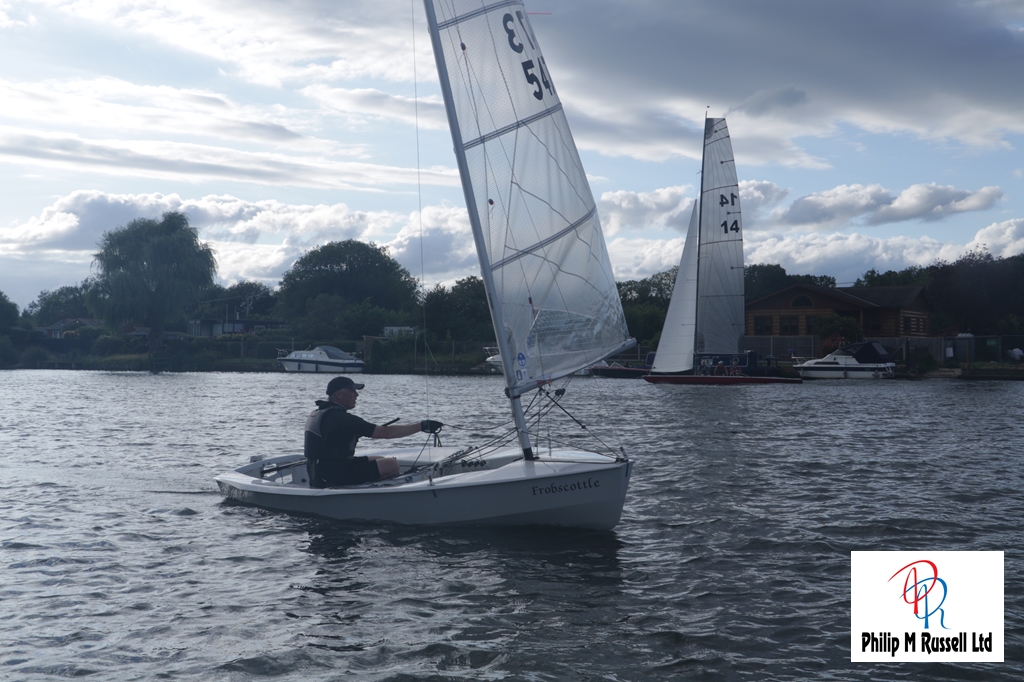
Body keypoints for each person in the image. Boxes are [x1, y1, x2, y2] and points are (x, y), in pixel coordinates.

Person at [304, 376, 443, 488]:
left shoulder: (320, 412)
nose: (356, 395)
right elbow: (386, 433)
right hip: (333, 476)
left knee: (380, 459)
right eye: (352, 391)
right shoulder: (342, 418)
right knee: (392, 465)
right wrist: (422, 426)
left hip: (319, 472)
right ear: (339, 395)